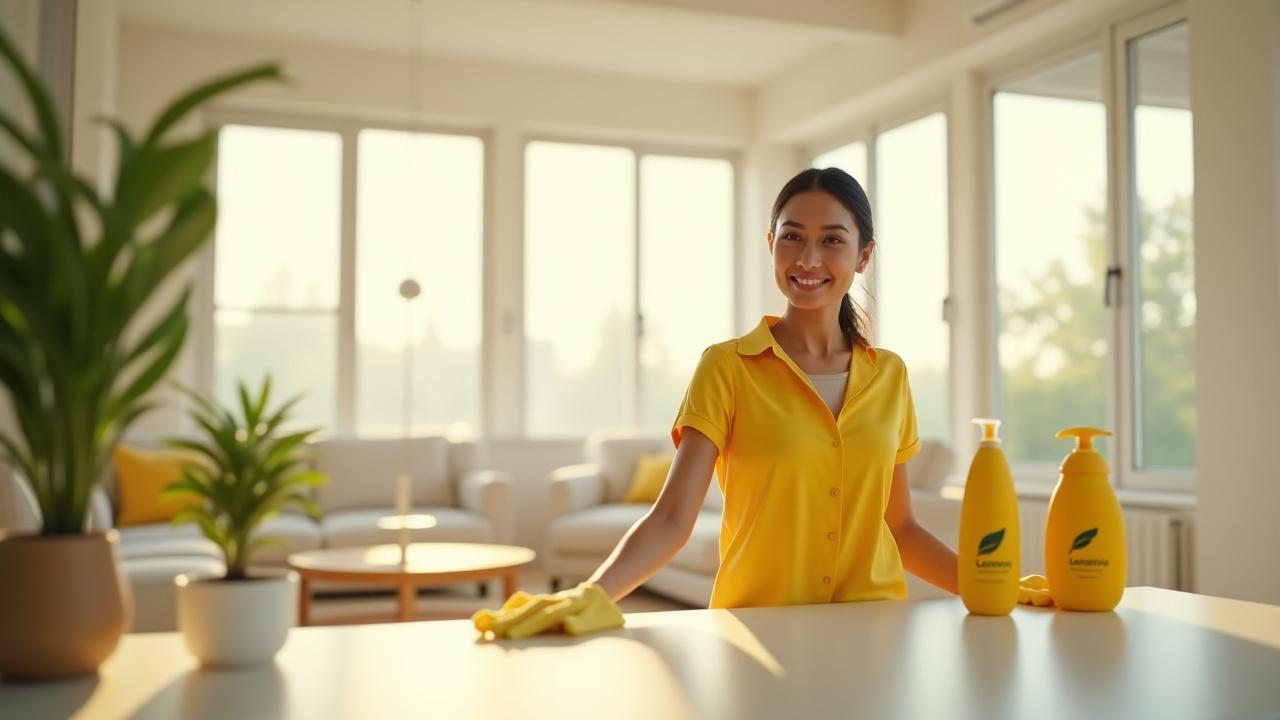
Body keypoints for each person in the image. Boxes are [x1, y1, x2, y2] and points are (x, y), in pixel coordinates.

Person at [587, 167, 960, 608]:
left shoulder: (890, 376)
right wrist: (586, 599)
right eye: (792, 237)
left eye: (832, 240)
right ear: (771, 245)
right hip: (758, 629)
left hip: (872, 630)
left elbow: (902, 529)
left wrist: (998, 588)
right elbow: (671, 519)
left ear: (864, 256)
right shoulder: (727, 367)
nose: (808, 259)